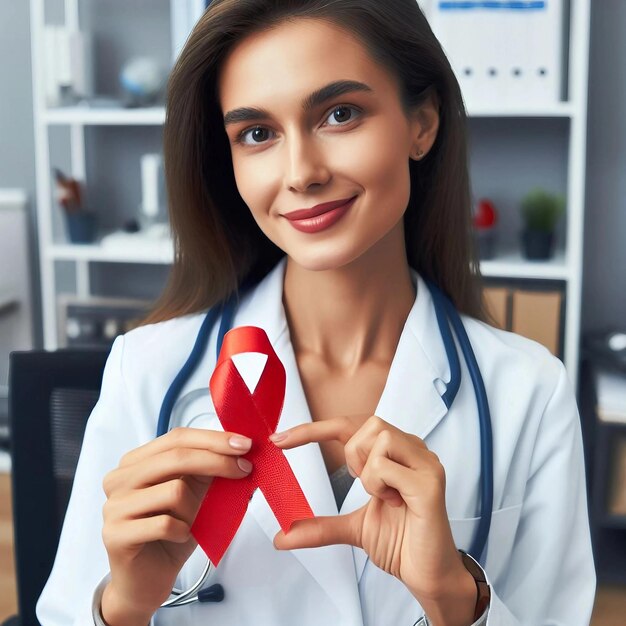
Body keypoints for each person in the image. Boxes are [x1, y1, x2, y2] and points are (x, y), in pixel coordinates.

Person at [36, 1, 596, 624]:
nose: (301, 173)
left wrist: (455, 600)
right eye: (257, 133)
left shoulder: (528, 392)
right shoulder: (147, 371)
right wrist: (123, 606)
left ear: (423, 123)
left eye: (340, 114)